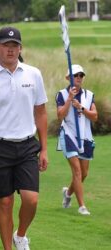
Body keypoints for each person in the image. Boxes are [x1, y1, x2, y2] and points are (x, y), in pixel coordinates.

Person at [0, 27, 48, 250]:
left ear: (20, 48)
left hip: (26, 146)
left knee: (31, 199)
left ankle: (20, 235)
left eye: (15, 46)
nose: (10, 50)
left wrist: (44, 149)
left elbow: (41, 112)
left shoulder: (33, 74)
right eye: (6, 45)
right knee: (5, 203)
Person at [56, 64, 97, 215]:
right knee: (77, 171)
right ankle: (82, 206)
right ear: (68, 78)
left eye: (81, 75)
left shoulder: (89, 95)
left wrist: (81, 107)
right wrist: (69, 100)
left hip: (85, 136)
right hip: (68, 135)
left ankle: (68, 194)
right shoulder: (61, 94)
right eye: (76, 75)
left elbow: (95, 116)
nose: (79, 78)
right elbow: (60, 115)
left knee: (84, 174)